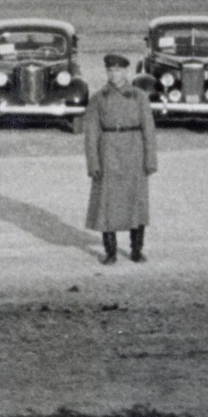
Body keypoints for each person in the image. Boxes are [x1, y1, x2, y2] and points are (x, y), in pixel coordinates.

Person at [83, 54, 156, 263]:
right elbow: (91, 134)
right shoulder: (99, 98)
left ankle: (136, 250)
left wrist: (150, 160)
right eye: (110, 70)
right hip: (108, 152)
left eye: (118, 70)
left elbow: (149, 130)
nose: (114, 74)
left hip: (134, 150)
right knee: (106, 204)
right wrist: (93, 163)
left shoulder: (139, 96)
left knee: (136, 202)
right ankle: (111, 252)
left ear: (126, 72)